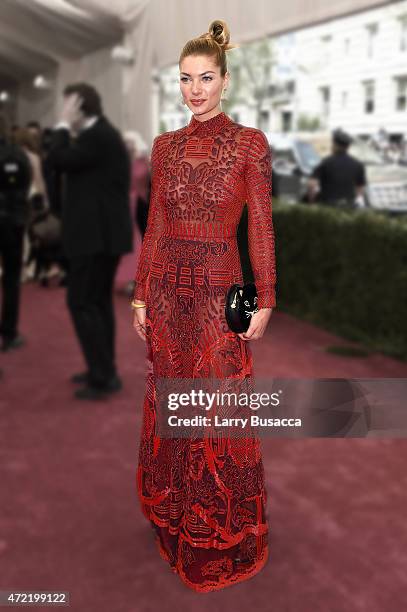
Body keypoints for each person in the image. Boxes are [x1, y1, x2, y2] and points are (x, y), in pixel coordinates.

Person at [132, 20, 276, 592]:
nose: (195, 89)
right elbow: (156, 226)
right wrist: (142, 294)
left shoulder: (249, 144)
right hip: (169, 299)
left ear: (226, 81)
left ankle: (224, 537)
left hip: (221, 297)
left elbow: (261, 227)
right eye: (186, 79)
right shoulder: (164, 148)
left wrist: (266, 297)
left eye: (206, 78)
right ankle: (177, 527)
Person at [47, 83, 133, 400]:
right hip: (100, 235)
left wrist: (59, 126)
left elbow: (57, 159)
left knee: (81, 302)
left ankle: (103, 375)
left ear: (80, 104)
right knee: (96, 303)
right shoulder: (99, 136)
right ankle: (102, 368)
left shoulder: (98, 137)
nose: (63, 109)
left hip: (96, 237)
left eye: (67, 103)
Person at [0, 117, 32, 351]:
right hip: (12, 222)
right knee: (11, 278)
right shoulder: (17, 155)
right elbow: (25, 184)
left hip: (10, 219)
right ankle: (9, 334)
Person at [115, 131, 151, 295]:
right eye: (125, 142)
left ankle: (142, 280)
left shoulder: (144, 161)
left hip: (142, 207)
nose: (127, 145)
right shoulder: (119, 162)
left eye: (130, 142)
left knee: (142, 243)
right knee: (128, 246)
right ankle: (131, 279)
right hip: (124, 207)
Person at [308, 128, 367, 208]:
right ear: (348, 147)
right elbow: (360, 189)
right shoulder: (358, 165)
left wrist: (312, 201)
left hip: (327, 207)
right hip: (349, 207)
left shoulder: (325, 162)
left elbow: (312, 184)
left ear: (335, 145)